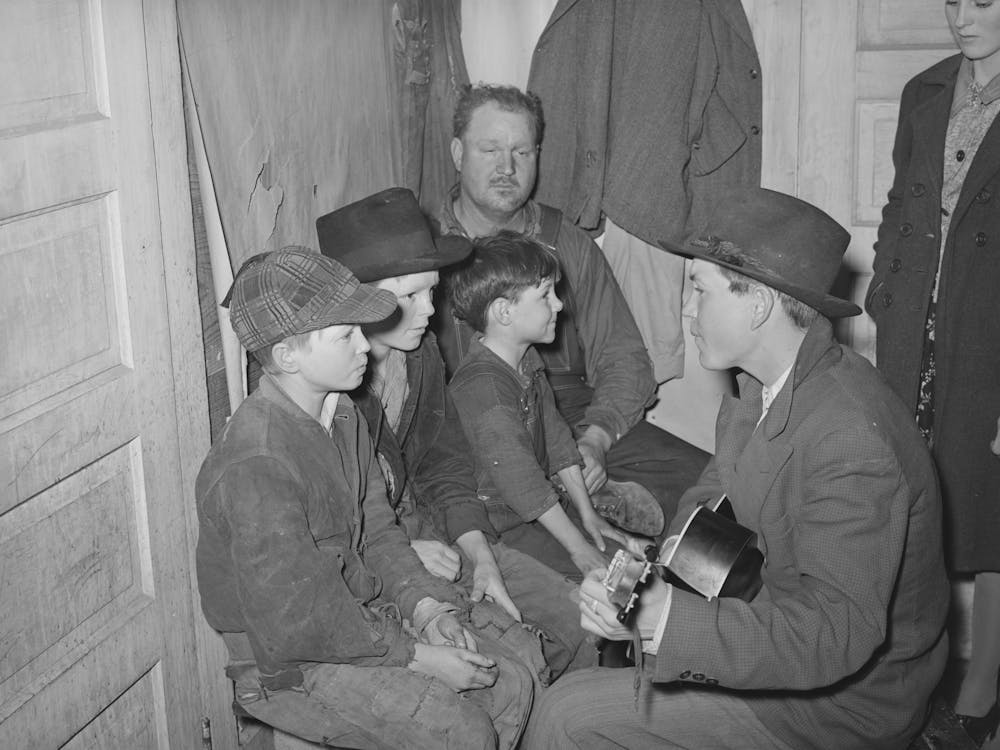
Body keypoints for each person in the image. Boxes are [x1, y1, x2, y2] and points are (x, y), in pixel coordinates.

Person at [523, 187, 950, 750]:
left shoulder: (849, 440)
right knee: (597, 670)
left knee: (565, 714)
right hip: (775, 630)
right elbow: (714, 488)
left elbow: (834, 634)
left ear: (759, 304)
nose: (688, 309)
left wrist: (664, 621)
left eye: (700, 288)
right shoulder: (760, 385)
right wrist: (652, 574)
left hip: (840, 707)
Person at [194, 247, 533, 750]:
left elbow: (377, 531)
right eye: (345, 334)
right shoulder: (259, 462)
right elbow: (300, 621)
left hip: (358, 620)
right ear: (287, 356)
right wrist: (418, 658)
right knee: (463, 731)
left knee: (510, 685)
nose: (365, 346)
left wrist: (427, 611)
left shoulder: (343, 412)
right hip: (288, 664)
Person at [315, 186, 595, 680]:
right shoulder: (327, 392)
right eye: (409, 296)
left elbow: (444, 464)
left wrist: (480, 555)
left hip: (440, 530)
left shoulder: (418, 355)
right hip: (379, 558)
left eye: (431, 291)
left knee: (579, 621)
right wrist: (398, 550)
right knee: (512, 668)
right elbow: (325, 529)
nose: (429, 311)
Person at [433, 83, 709, 529]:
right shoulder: (426, 256)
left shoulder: (567, 242)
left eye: (522, 152)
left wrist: (597, 437)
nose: (507, 167)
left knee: (708, 493)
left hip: (573, 421)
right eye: (490, 150)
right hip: (474, 441)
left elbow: (624, 357)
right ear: (458, 153)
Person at [867, 2, 1000, 744]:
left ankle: (980, 694)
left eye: (982, 2)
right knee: (907, 498)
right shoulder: (925, 89)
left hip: (990, 334)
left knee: (991, 508)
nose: (961, 16)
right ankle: (907, 671)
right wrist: (884, 290)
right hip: (913, 328)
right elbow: (899, 203)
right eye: (952, 0)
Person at [445, 231, 652, 583]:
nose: (559, 305)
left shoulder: (526, 360)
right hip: (501, 521)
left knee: (627, 562)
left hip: (539, 504)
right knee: (606, 580)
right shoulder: (485, 388)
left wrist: (589, 517)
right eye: (545, 295)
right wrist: (577, 547)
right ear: (504, 312)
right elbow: (522, 484)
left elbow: (558, 443)